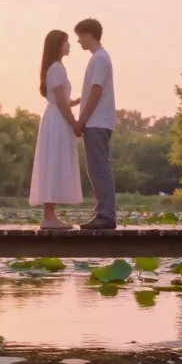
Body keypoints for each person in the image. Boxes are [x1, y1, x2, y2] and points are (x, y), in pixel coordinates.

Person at [28, 29, 82, 229]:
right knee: (54, 162)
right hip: (58, 119)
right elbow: (60, 102)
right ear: (58, 45)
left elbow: (61, 100)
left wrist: (75, 102)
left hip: (55, 117)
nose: (69, 45)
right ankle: (49, 216)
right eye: (66, 42)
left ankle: (50, 214)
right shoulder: (57, 68)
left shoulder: (54, 68)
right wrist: (75, 124)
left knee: (54, 162)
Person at [74, 18, 117, 230]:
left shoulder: (99, 58)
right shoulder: (99, 58)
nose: (78, 41)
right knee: (96, 168)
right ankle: (103, 212)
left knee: (99, 168)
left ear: (89, 35)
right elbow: (91, 91)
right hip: (98, 121)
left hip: (97, 121)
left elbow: (97, 90)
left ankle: (106, 215)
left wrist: (81, 121)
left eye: (80, 36)